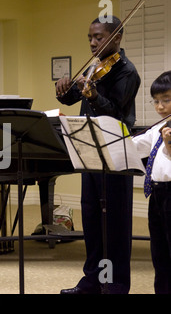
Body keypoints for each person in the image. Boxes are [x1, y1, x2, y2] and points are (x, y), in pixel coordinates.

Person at [56, 16, 140, 294]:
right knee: (92, 219)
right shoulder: (94, 67)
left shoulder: (127, 72)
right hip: (89, 151)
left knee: (115, 223)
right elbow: (71, 98)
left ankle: (115, 284)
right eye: (90, 37)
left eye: (99, 37)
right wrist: (63, 90)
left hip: (116, 154)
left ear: (117, 38)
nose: (92, 42)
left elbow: (116, 113)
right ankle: (92, 280)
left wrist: (92, 96)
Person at [132, 71, 171, 294]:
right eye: (156, 101)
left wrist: (169, 144)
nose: (160, 107)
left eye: (166, 100)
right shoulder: (159, 127)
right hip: (156, 194)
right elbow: (136, 144)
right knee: (159, 253)